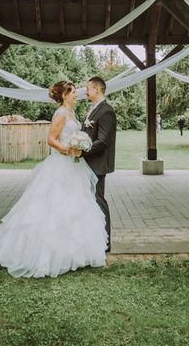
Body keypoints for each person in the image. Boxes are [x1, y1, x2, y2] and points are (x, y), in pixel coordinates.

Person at [0, 80, 107, 278]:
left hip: (74, 166)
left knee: (75, 206)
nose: (77, 95)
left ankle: (74, 253)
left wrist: (79, 146)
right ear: (65, 95)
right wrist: (68, 149)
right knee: (55, 207)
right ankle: (48, 253)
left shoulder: (72, 113)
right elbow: (51, 140)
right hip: (60, 164)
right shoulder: (60, 114)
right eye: (74, 92)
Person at [79, 76, 117, 253]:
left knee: (98, 200)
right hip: (89, 163)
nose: (85, 91)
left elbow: (102, 141)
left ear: (97, 89)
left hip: (98, 164)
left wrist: (82, 150)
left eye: (88, 88)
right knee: (90, 200)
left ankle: (106, 242)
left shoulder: (106, 111)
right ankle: (94, 237)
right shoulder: (93, 109)